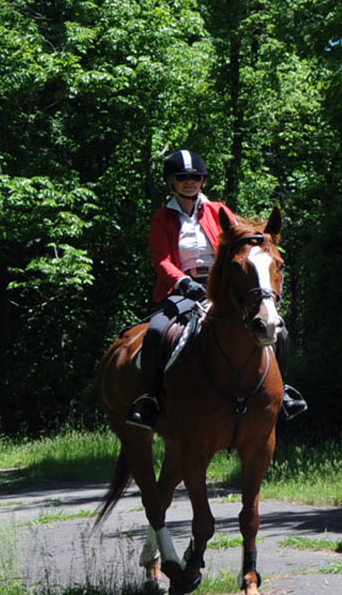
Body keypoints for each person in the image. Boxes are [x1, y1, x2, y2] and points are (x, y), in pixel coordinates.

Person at [125, 149, 307, 429]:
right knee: (158, 331)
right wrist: (183, 282)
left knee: (279, 331)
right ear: (171, 181)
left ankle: (282, 392)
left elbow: (245, 240)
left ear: (203, 181)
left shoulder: (218, 211)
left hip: (225, 286)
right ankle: (150, 399)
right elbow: (161, 260)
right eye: (182, 177)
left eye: (195, 177)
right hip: (183, 288)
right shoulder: (163, 219)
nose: (190, 182)